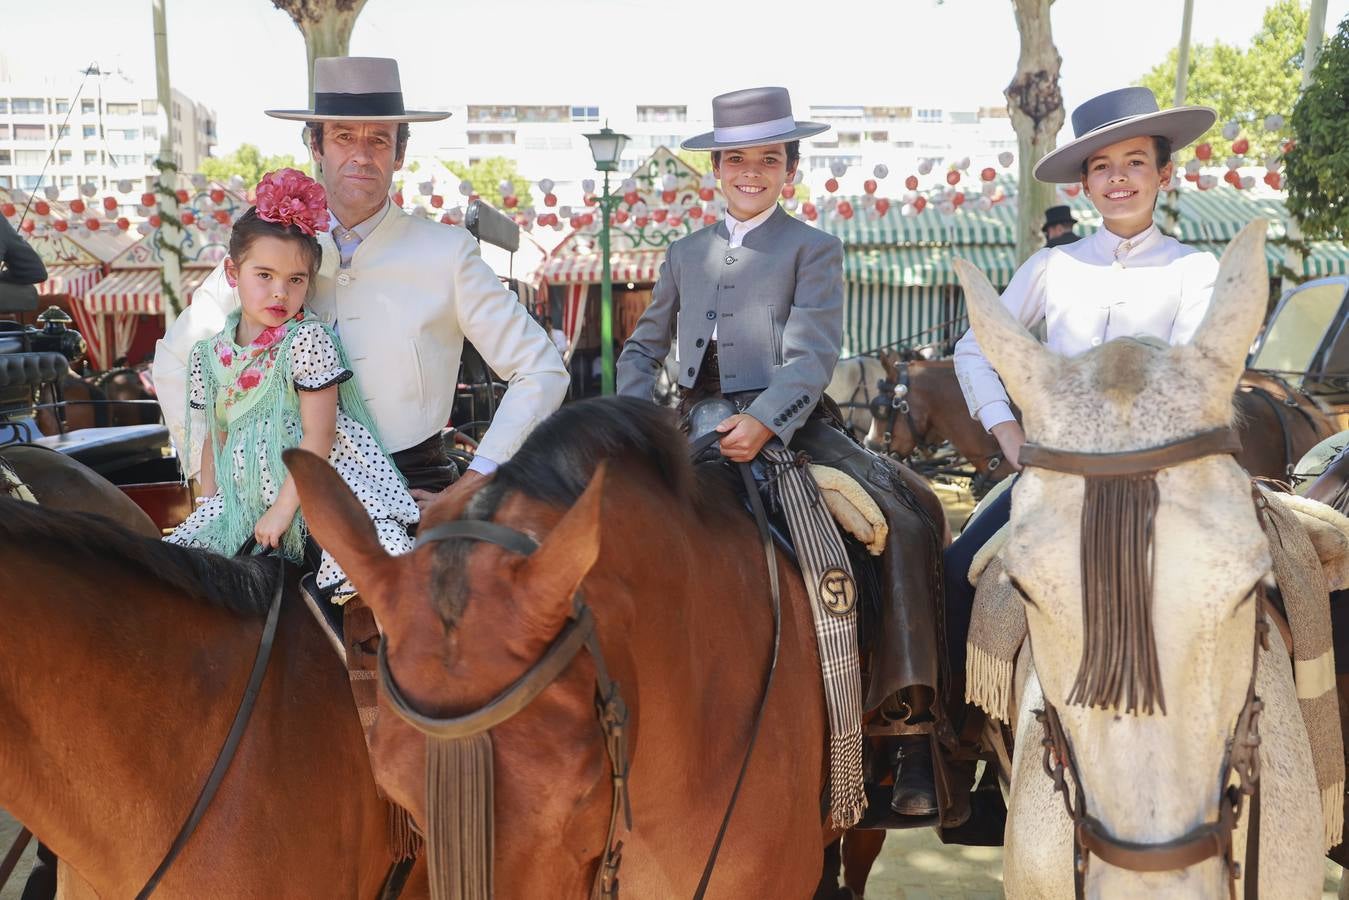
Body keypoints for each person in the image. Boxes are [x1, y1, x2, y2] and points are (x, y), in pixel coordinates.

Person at [617, 86, 943, 816]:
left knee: (909, 519)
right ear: (716, 168)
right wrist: (642, 419)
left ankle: (910, 728)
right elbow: (642, 348)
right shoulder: (682, 254)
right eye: (737, 159)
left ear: (788, 168)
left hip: (795, 424)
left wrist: (765, 421)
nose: (751, 172)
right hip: (693, 425)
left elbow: (815, 352)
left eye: (768, 159)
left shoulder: (813, 248)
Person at [154, 57, 568, 511]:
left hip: (411, 487)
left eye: (379, 139)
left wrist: (473, 484)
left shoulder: (447, 252)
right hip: (277, 493)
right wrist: (212, 483)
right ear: (316, 145)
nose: (361, 155)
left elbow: (541, 370)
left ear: (400, 153)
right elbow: (178, 357)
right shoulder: (272, 246)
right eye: (343, 136)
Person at [945, 86, 1220, 671]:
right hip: (1055, 474)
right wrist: (1009, 438)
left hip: (1163, 477)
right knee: (954, 571)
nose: (1118, 179)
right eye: (1102, 167)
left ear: (1164, 174)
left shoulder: (1195, 270)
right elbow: (974, 346)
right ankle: (949, 739)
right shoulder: (1052, 265)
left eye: (1135, 163)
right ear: (1086, 183)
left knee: (1252, 588)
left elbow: (1196, 378)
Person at [165, 169, 416, 604]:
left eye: (295, 280)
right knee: (177, 574)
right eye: (264, 275)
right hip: (244, 497)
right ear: (232, 271)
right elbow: (216, 438)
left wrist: (284, 508)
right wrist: (209, 506)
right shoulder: (210, 355)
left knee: (378, 574)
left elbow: (318, 436)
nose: (279, 292)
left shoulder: (307, 340)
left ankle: (371, 666)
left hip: (317, 489)